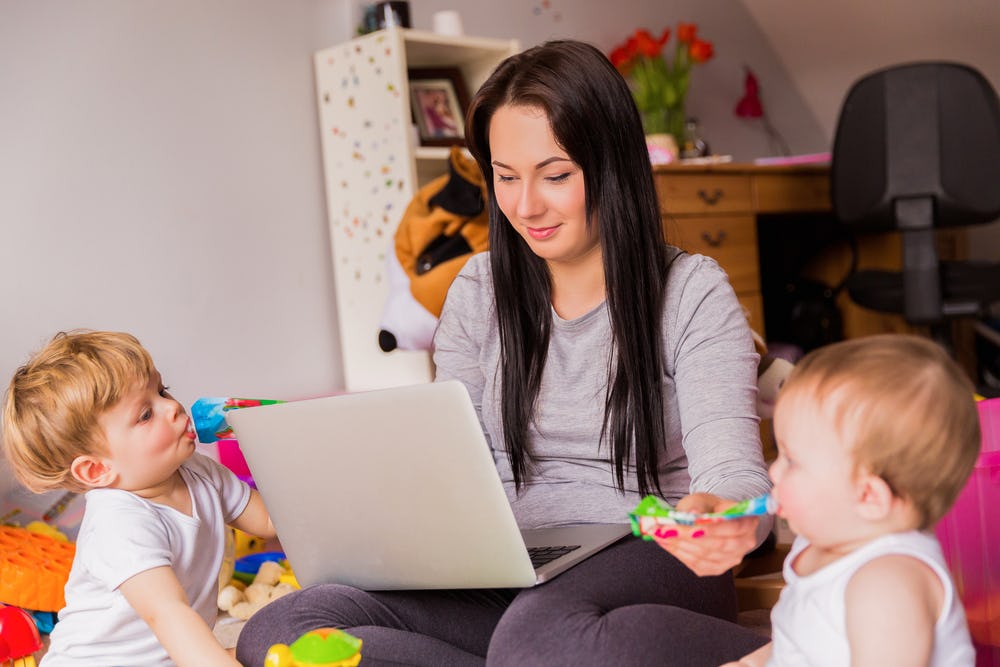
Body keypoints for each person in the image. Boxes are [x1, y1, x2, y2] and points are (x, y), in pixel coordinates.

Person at [237, 39, 771, 666]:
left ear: (612, 166)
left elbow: (734, 476)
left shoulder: (690, 290)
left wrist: (721, 514)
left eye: (556, 175)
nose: (524, 206)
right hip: (513, 569)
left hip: (654, 557)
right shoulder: (478, 290)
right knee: (285, 629)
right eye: (506, 176)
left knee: (536, 636)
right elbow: (456, 465)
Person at [1, 330, 276, 667]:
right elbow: (169, 613)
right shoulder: (118, 524)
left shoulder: (198, 470)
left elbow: (270, 520)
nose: (172, 407)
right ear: (96, 470)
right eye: (145, 414)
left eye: (162, 390)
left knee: (284, 638)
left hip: (174, 656)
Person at [725, 334, 979, 667]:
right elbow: (798, 642)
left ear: (868, 496)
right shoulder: (820, 543)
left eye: (792, 460)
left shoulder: (888, 586)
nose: (774, 471)